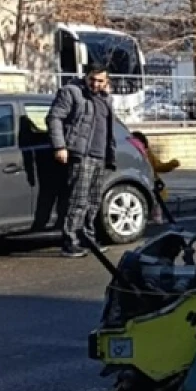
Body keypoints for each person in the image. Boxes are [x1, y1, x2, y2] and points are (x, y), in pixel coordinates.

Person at [47, 64, 117, 258]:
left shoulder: (106, 98)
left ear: (106, 81)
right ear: (86, 77)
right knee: (78, 200)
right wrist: (60, 146)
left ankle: (88, 237)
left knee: (94, 201)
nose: (95, 84)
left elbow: (109, 128)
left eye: (100, 81)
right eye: (91, 79)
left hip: (100, 155)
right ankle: (71, 241)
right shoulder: (72, 92)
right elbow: (54, 118)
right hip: (80, 154)